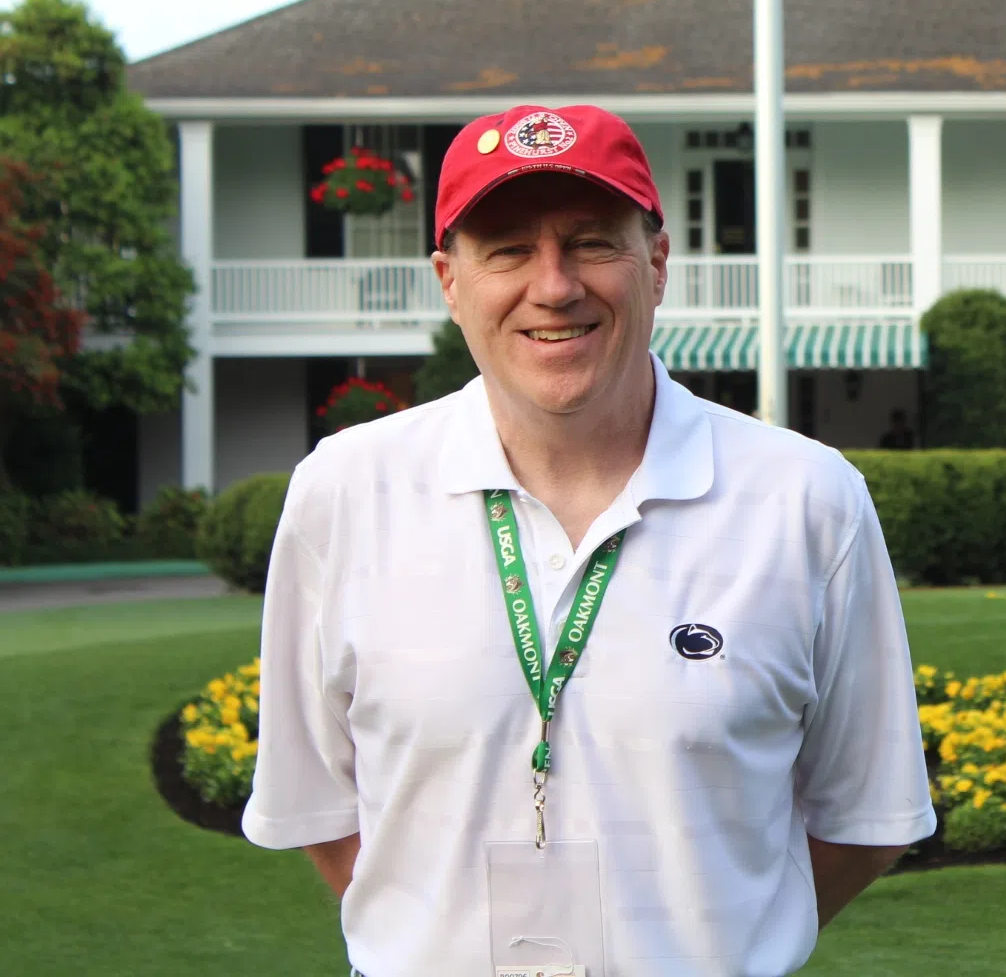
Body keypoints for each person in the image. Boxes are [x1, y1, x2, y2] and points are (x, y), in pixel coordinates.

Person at [243, 104, 935, 977]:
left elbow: (867, 818)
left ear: (657, 263)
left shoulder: (806, 500)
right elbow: (316, 807)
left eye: (591, 243)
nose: (555, 285)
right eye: (507, 251)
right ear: (449, 282)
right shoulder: (344, 493)